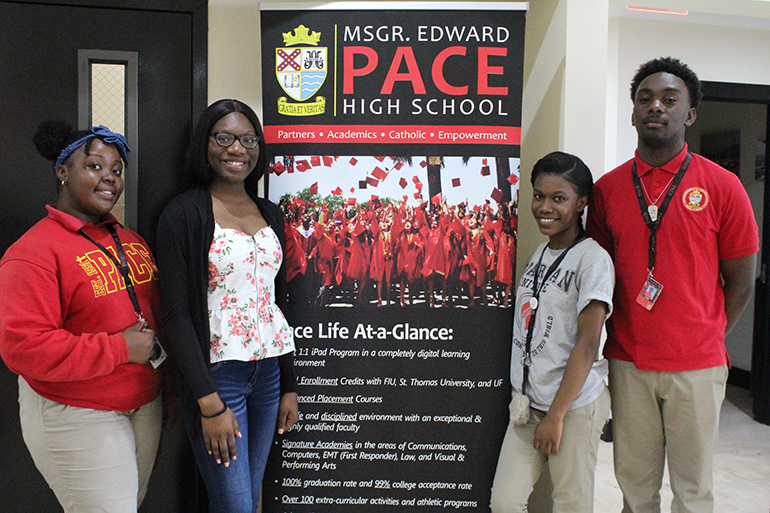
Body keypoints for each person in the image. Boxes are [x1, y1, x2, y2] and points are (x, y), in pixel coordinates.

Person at [586, 57, 759, 513]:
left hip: (698, 367)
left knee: (693, 492)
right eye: (645, 99)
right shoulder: (607, 191)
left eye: (669, 99)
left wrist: (708, 335)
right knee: (635, 489)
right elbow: (599, 279)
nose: (655, 107)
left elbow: (741, 280)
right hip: (628, 361)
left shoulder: (723, 187)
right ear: (632, 113)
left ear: (690, 114)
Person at [0, 121, 163, 512]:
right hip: (77, 409)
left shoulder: (130, 240)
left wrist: (166, 388)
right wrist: (119, 348)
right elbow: (24, 348)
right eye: (94, 166)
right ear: (62, 172)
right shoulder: (33, 252)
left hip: (143, 403)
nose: (109, 177)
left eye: (116, 169)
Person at [155, 99, 299, 513]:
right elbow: (177, 315)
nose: (237, 148)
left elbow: (277, 303)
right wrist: (209, 401)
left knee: (250, 498)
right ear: (205, 144)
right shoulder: (183, 213)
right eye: (225, 137)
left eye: (248, 139)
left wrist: (288, 383)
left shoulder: (269, 213)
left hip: (268, 372)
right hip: (219, 378)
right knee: (234, 504)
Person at [491, 151, 614, 513]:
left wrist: (557, 415)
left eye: (559, 198)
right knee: (504, 501)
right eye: (539, 195)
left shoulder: (593, 260)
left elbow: (588, 343)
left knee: (570, 505)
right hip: (529, 405)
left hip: (572, 406)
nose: (546, 207)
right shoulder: (539, 254)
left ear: (581, 202)